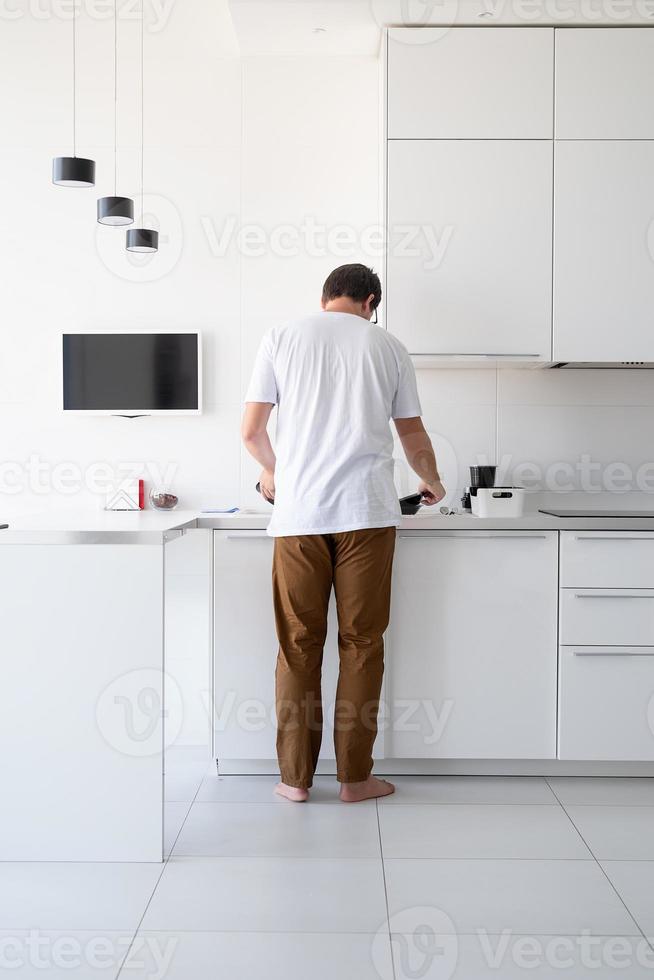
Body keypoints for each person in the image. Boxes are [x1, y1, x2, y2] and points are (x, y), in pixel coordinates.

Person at [241, 263, 445, 803]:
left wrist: (274, 471)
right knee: (361, 644)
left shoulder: (281, 336)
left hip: (299, 517)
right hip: (367, 515)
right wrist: (432, 479)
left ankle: (293, 781)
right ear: (370, 300)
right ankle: (355, 780)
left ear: (326, 297)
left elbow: (252, 431)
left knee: (298, 649)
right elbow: (412, 432)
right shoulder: (388, 345)